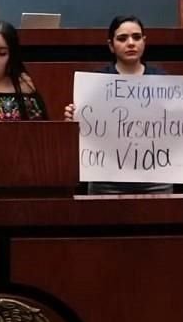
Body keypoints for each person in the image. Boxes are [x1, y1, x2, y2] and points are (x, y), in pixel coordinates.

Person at [63, 15, 169, 193]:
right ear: (111, 45)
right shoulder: (95, 83)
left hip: (155, 179)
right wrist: (73, 120)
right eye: (122, 38)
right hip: (106, 180)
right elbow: (84, 129)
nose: (131, 43)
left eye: (136, 37)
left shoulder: (163, 80)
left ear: (144, 42)